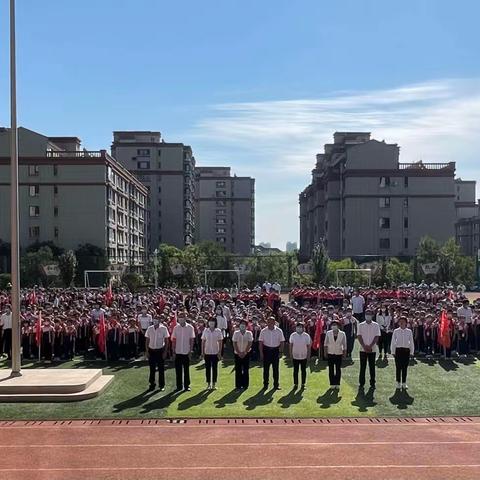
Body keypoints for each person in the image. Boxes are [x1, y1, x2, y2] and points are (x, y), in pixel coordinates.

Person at [171, 312, 196, 392]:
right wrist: (173, 351)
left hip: (186, 351)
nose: (181, 318)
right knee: (178, 370)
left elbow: (191, 339)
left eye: (182, 317)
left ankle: (186, 385)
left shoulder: (190, 327)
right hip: (178, 351)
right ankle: (179, 386)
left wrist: (190, 350)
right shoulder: (176, 328)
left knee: (186, 370)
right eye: (179, 317)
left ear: (185, 318)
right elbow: (174, 339)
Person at [357, 308, 380, 389]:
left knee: (372, 367)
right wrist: (364, 346)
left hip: (372, 349)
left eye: (369, 314)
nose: (368, 315)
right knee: (362, 367)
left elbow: (377, 336)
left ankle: (372, 383)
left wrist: (370, 346)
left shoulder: (376, 325)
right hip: (362, 349)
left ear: (372, 315)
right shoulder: (360, 325)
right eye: (367, 314)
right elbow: (359, 336)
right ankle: (361, 383)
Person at [259, 316, 285, 390]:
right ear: (267, 322)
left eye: (272, 322)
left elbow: (282, 341)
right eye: (268, 322)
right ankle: (265, 385)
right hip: (266, 350)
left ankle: (276, 385)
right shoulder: (263, 331)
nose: (270, 323)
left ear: (274, 322)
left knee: (275, 369)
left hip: (275, 351)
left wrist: (281, 351)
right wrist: (261, 353)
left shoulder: (279, 331)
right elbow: (260, 342)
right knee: (266, 369)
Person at [145, 318, 170, 391]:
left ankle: (161, 385)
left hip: (160, 351)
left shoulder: (164, 328)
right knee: (152, 368)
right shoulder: (150, 329)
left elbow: (166, 341)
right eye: (154, 320)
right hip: (151, 350)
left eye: (157, 320)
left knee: (161, 368)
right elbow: (147, 340)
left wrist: (165, 352)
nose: (155, 321)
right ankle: (152, 384)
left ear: (159, 321)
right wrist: (147, 351)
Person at [390, 315, 414, 390]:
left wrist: (411, 352)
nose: (401, 323)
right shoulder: (396, 331)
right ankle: (398, 382)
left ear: (406, 323)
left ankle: (404, 382)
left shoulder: (409, 331)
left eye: (403, 322)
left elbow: (411, 342)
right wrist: (393, 351)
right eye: (400, 322)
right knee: (398, 367)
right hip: (398, 351)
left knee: (405, 367)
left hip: (406, 351)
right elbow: (393, 342)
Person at [324, 319, 347, 389]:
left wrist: (344, 354)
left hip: (338, 353)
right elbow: (325, 344)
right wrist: (325, 353)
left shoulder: (342, 334)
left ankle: (337, 383)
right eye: (333, 325)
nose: (334, 326)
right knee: (331, 369)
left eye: (335, 325)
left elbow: (344, 344)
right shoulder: (328, 333)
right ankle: (332, 383)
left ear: (338, 326)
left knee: (338, 369)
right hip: (330, 353)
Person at [201, 317, 223, 390]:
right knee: (207, 368)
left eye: (213, 322)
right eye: (210, 321)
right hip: (207, 352)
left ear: (215, 323)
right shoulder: (205, 330)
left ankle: (213, 383)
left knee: (214, 368)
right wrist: (202, 352)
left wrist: (219, 352)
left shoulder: (218, 331)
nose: (211, 323)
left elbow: (220, 342)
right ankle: (208, 384)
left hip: (215, 352)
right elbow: (203, 341)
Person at [288, 321, 311, 389]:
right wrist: (290, 354)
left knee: (303, 371)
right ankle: (295, 384)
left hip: (304, 355)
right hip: (295, 355)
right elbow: (290, 345)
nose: (299, 328)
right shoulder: (293, 335)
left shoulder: (306, 336)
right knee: (295, 371)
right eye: (298, 327)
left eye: (301, 327)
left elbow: (308, 346)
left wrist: (308, 356)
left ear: (303, 328)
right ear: (296, 328)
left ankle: (303, 384)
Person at [232, 319, 253, 390]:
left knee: (246, 370)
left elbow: (250, 343)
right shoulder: (236, 333)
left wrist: (245, 352)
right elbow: (234, 343)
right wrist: (238, 352)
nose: (242, 326)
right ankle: (238, 385)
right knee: (238, 370)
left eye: (244, 324)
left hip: (246, 354)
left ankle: (245, 385)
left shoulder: (249, 333)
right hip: (237, 354)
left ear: (247, 326)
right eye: (241, 324)